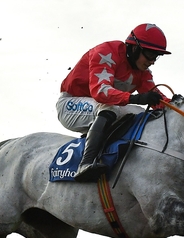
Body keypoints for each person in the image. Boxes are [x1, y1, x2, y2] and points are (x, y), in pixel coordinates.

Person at [57, 23, 171, 181]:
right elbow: (101, 91)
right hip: (70, 104)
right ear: (134, 48)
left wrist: (176, 105)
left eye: (156, 56)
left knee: (141, 114)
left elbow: (157, 98)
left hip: (101, 106)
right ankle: (86, 163)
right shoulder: (106, 53)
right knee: (110, 108)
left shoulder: (143, 72)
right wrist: (134, 98)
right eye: (151, 54)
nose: (152, 61)